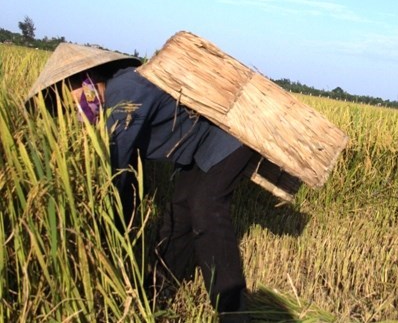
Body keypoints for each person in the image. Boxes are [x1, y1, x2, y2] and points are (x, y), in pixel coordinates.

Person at [26, 43, 255, 318]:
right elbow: (130, 170)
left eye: (72, 96)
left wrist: (107, 226)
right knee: (177, 217)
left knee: (205, 207)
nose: (76, 109)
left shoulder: (125, 91)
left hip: (229, 140)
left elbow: (117, 168)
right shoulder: (116, 94)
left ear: (87, 79)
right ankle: (157, 295)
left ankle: (233, 311)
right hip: (198, 151)